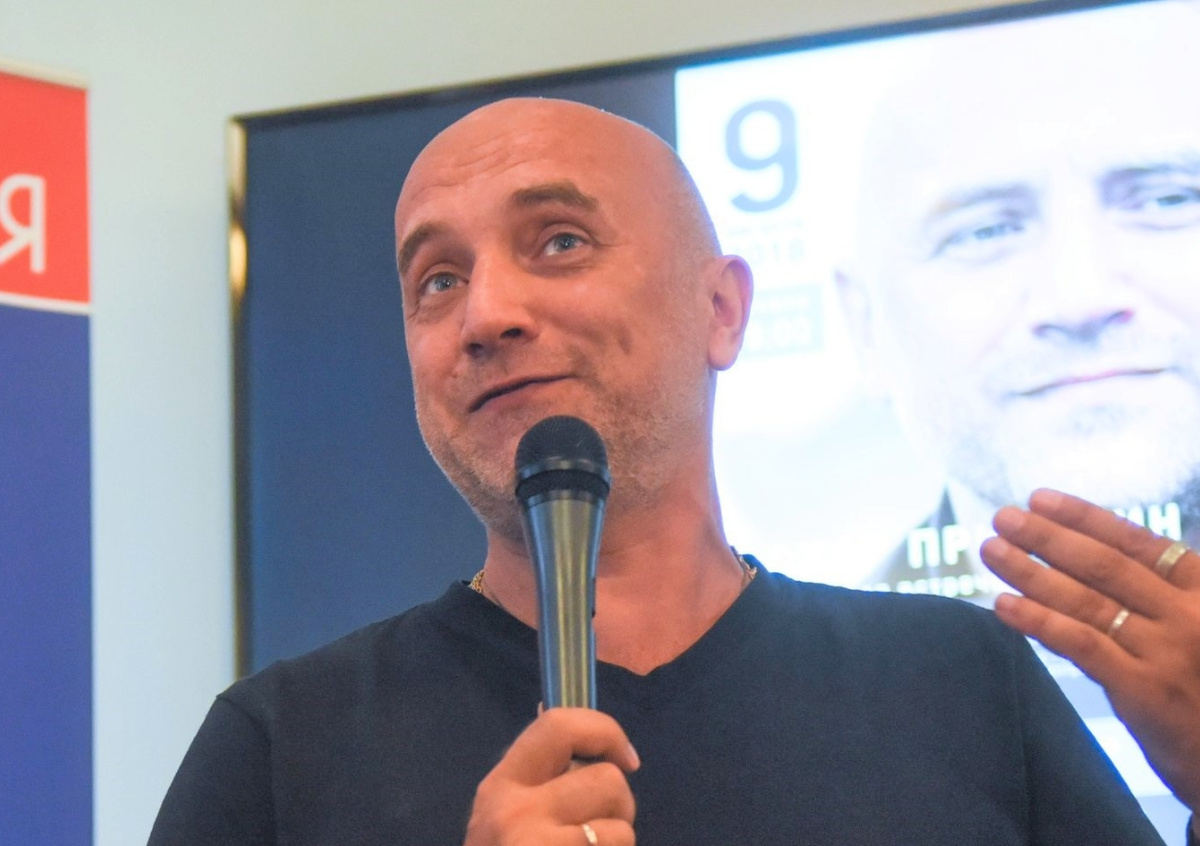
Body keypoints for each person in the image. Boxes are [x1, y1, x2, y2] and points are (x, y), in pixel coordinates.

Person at [149, 97, 1196, 845]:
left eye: (560, 241)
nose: (487, 314)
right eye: (437, 280)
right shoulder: (279, 749)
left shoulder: (961, 684)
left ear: (722, 310)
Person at [837, 0, 1200, 602]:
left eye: (1168, 200)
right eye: (985, 232)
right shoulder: (812, 664)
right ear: (865, 326)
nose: (1080, 298)